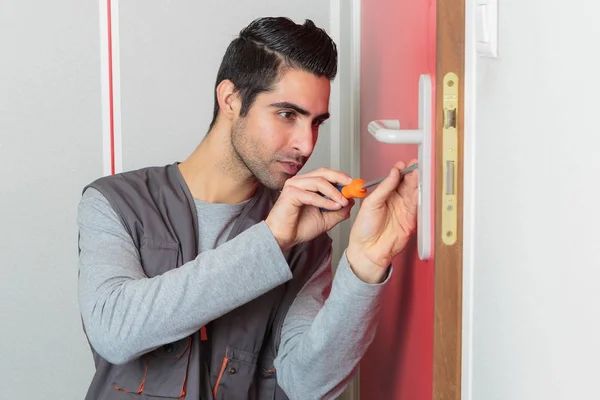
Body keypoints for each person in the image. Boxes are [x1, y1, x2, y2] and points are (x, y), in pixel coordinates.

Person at [77, 16, 418, 400]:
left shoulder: (309, 242)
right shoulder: (115, 202)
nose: (306, 144)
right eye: (287, 115)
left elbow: (308, 384)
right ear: (230, 99)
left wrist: (365, 267)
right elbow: (114, 330)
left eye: (316, 122)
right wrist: (272, 239)